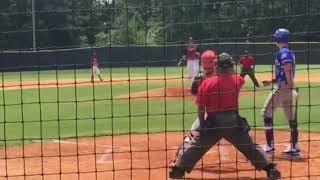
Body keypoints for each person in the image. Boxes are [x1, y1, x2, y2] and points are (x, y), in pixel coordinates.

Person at [168, 53, 281, 179]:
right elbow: (235, 77)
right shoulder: (238, 80)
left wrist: (202, 124)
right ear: (230, 67)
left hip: (212, 122)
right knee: (249, 146)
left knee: (196, 146)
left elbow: (201, 108)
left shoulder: (206, 83)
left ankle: (178, 169)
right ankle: (270, 169)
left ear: (216, 66)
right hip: (232, 122)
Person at [261, 28, 300, 157]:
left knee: (266, 112)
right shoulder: (289, 51)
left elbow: (288, 70)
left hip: (284, 87)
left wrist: (291, 87)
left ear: (278, 39)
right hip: (286, 87)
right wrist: (271, 81)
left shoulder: (283, 52)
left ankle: (269, 147)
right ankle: (294, 147)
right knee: (291, 117)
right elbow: (284, 72)